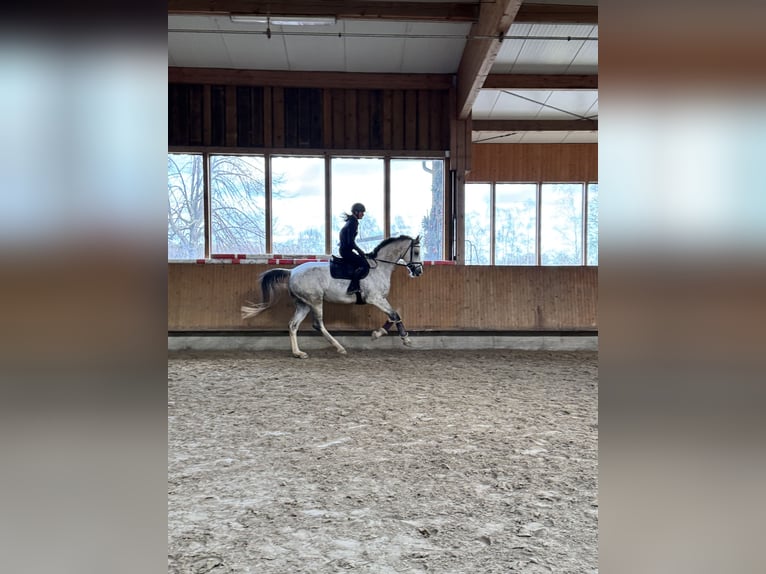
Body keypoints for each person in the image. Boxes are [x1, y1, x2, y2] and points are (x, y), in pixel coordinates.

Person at [338, 202, 370, 294]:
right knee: (364, 264)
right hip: (346, 251)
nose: (363, 214)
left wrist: (359, 252)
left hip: (345, 250)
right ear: (356, 212)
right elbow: (350, 242)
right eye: (361, 212)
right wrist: (360, 252)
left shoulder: (351, 221)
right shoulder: (353, 223)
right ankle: (353, 287)